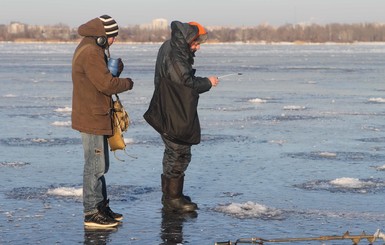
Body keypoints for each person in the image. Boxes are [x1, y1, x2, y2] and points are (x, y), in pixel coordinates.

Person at [144, 21, 219, 213]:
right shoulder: (176, 55)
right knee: (178, 152)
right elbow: (186, 83)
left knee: (175, 151)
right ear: (188, 40)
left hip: (171, 105)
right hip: (172, 110)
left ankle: (172, 195)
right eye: (196, 43)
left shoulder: (172, 47)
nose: (198, 47)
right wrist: (207, 83)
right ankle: (172, 198)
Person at [72, 15, 134, 228]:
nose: (114, 40)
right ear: (101, 36)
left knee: (100, 165)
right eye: (112, 36)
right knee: (94, 165)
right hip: (92, 116)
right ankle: (91, 212)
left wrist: (113, 70)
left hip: (95, 114)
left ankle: (100, 206)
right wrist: (126, 83)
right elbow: (105, 84)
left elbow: (99, 78)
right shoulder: (91, 52)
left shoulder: (92, 49)